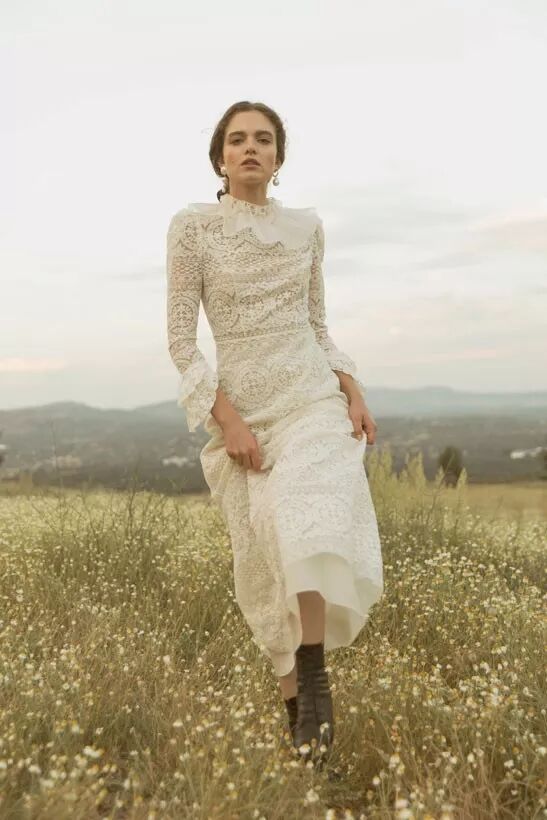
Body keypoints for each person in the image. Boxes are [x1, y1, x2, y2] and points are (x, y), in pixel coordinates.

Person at [166, 100, 384, 765]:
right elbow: (182, 343)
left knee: (304, 521)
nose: (250, 148)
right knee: (264, 564)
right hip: (245, 417)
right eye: (237, 140)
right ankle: (302, 729)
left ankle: (314, 674)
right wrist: (226, 420)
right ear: (220, 158)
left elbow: (318, 325)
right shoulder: (192, 228)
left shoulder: (307, 229)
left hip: (311, 399)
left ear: (279, 157)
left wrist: (351, 388)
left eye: (263, 139)